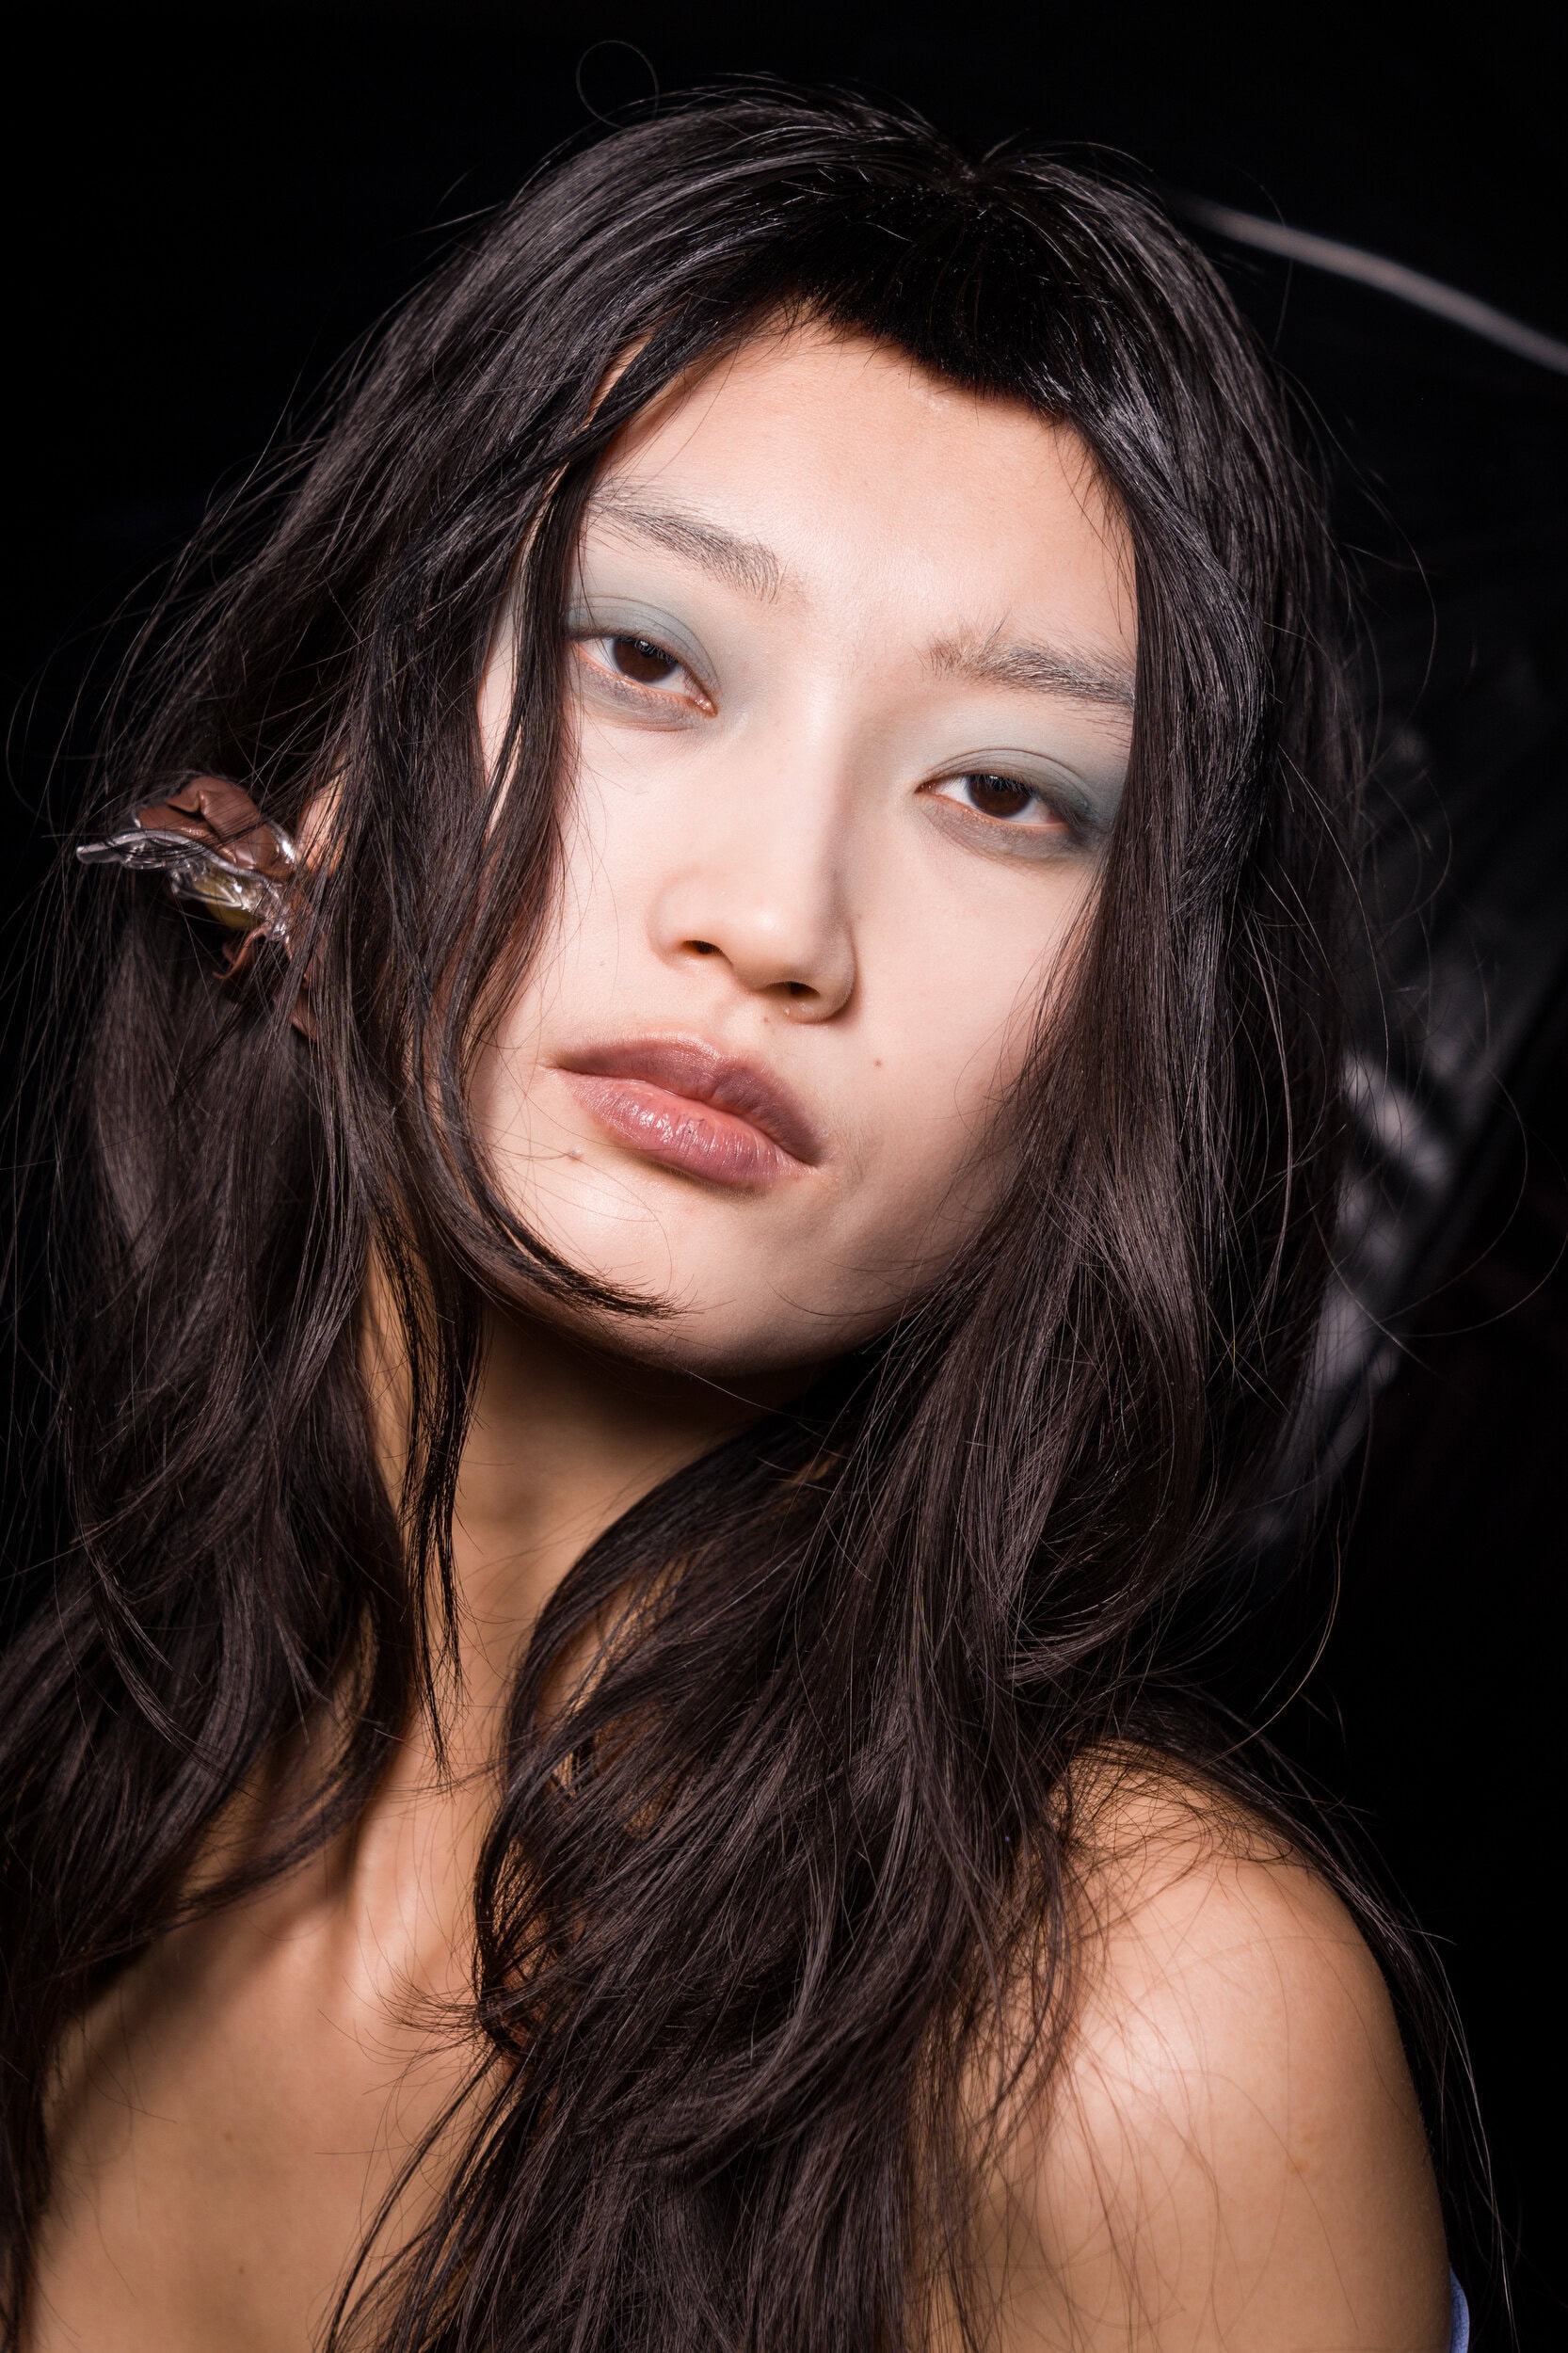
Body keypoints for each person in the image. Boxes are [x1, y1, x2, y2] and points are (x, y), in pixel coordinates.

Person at [0, 89, 1465, 2353]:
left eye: (1003, 791)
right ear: (317, 786)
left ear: (1109, 1057)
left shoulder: (1137, 2042)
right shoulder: (61, 1808)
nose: (778, 921)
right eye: (648, 660)